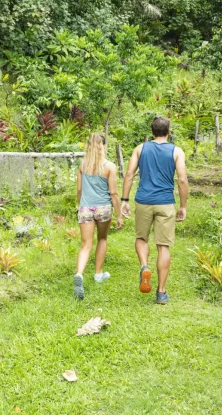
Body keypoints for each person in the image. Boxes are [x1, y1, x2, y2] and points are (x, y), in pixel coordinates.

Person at [120, 116, 188, 305]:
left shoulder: (140, 149)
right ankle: (161, 292)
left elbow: (129, 174)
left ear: (152, 131)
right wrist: (183, 206)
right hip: (165, 203)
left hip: (143, 200)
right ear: (168, 131)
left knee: (141, 238)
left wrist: (124, 199)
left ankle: (144, 266)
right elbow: (182, 180)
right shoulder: (176, 151)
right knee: (163, 246)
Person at [74, 133, 123, 300]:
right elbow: (114, 193)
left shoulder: (82, 166)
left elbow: (79, 190)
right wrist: (119, 215)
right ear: (103, 146)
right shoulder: (109, 166)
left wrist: (79, 206)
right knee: (102, 239)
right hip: (103, 209)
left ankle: (79, 274)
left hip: (85, 208)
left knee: (85, 245)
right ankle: (98, 274)